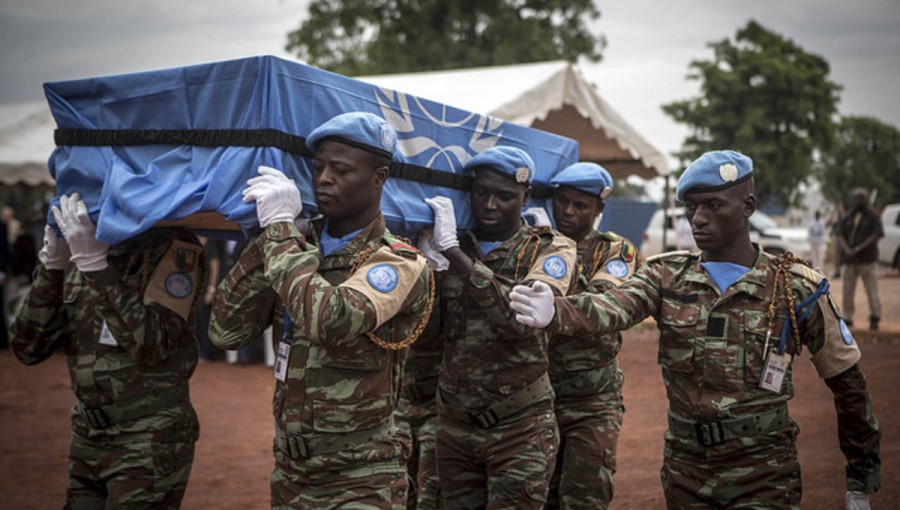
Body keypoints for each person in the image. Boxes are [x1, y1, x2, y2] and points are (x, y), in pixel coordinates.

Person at [510, 150, 881, 509]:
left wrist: (860, 478)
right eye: (692, 208)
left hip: (763, 471)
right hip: (686, 472)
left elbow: (847, 382)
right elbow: (612, 307)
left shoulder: (794, 287)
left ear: (748, 207)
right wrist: (555, 309)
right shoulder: (665, 275)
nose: (698, 219)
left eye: (713, 205)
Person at [209, 111, 434, 509]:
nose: (324, 178)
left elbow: (330, 320)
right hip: (291, 471)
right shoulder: (296, 246)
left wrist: (279, 232)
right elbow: (226, 332)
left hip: (363, 474)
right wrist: (265, 239)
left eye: (340, 169)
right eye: (317, 167)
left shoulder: (398, 261)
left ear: (379, 177)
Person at [10, 194, 204, 509]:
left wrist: (96, 267)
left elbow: (152, 343)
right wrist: (52, 266)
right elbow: (28, 348)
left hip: (148, 432)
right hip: (88, 432)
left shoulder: (172, 247)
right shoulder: (78, 245)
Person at [419, 146, 577, 509]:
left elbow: (520, 322)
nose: (490, 205)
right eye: (481, 193)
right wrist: (430, 276)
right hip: (455, 426)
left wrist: (456, 258)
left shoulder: (551, 248)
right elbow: (427, 339)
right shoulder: (454, 243)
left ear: (526, 197)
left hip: (519, 427)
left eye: (505, 196)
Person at [544, 162, 643, 509]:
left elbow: (602, 306)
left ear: (599, 209)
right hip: (541, 396)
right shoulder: (536, 244)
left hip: (593, 400)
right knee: (541, 495)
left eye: (580, 205)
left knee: (584, 495)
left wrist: (559, 256)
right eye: (562, 202)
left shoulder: (615, 251)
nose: (567, 212)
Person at [837, 189, 884, 331]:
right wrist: (846, 250)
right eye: (857, 198)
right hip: (850, 261)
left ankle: (875, 317)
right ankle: (848, 317)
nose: (859, 201)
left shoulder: (873, 217)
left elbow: (876, 235)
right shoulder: (847, 216)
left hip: (868, 261)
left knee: (872, 291)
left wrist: (857, 249)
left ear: (867, 199)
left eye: (862, 198)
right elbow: (840, 235)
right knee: (847, 291)